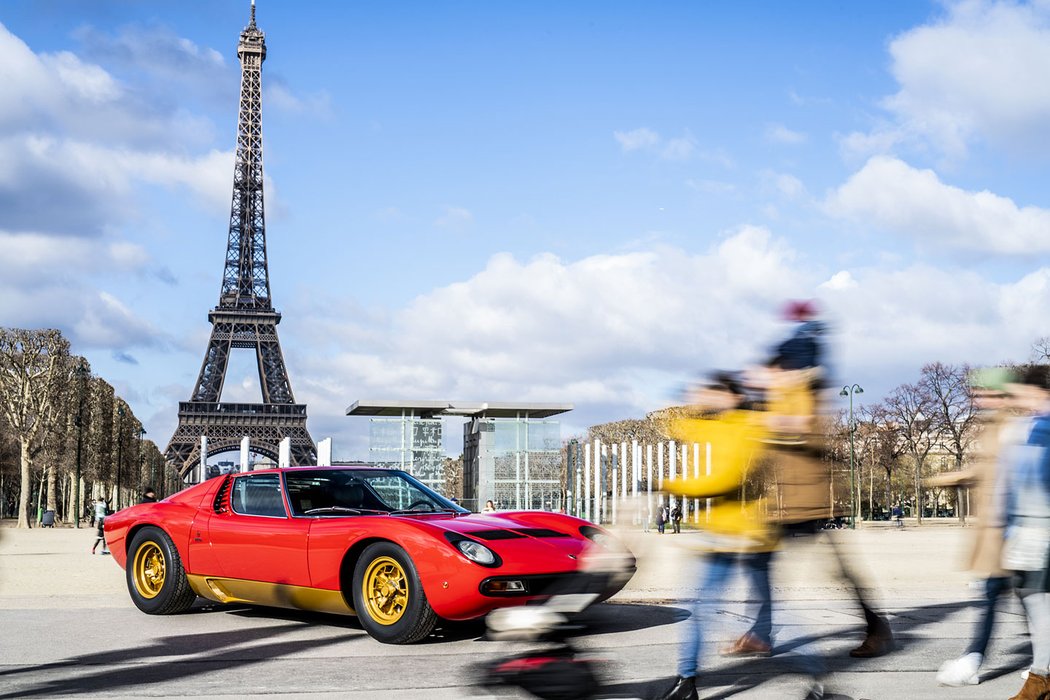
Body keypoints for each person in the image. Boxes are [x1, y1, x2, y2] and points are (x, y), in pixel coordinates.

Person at [657, 378, 778, 700]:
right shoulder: (725, 425)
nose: (706, 398)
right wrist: (686, 404)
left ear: (733, 395)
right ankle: (688, 680)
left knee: (698, 607)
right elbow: (686, 428)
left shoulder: (743, 428)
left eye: (714, 392)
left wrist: (669, 484)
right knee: (753, 605)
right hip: (736, 533)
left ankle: (687, 680)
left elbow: (722, 479)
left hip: (741, 534)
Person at [932, 368, 1016, 686]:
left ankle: (972, 660)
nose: (976, 398)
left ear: (1000, 395)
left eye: (982, 392)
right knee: (1013, 599)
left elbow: (1002, 476)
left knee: (997, 597)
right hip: (999, 530)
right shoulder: (996, 426)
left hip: (1004, 529)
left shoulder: (1008, 427)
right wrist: (953, 478)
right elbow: (986, 469)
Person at [998, 368, 1050, 700]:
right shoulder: (1031, 427)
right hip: (1033, 528)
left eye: (1023, 393)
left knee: (1036, 604)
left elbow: (1032, 486)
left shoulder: (1036, 430)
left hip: (1037, 529)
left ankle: (1041, 678)